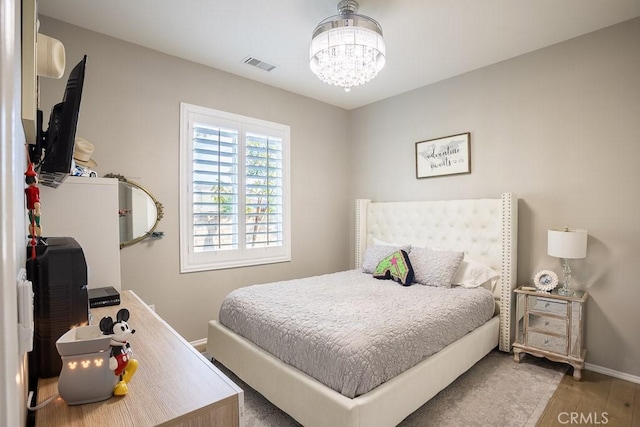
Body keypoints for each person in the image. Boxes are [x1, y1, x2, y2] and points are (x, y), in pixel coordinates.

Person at [25, 163, 42, 238]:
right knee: (35, 221)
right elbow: (36, 199)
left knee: (33, 221)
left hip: (31, 207)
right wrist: (38, 209)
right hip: (34, 207)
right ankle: (36, 232)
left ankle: (35, 232)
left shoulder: (28, 190)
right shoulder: (34, 190)